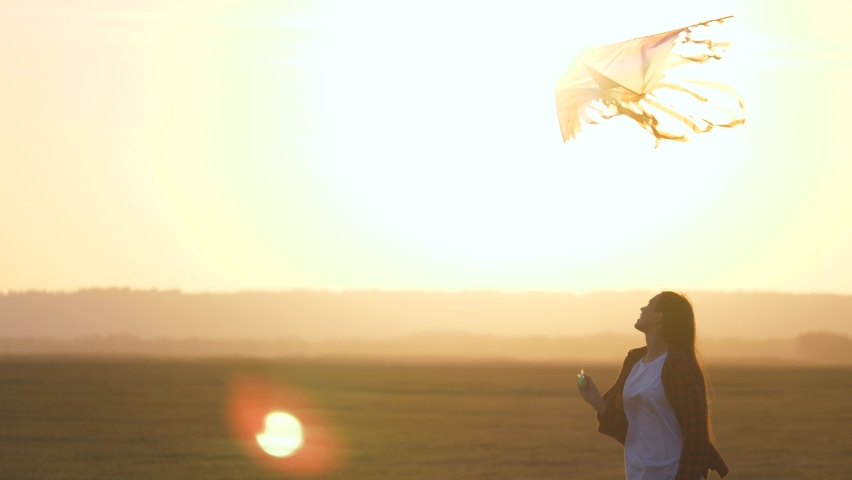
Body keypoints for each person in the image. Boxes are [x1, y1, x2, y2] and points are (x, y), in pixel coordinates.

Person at [577, 291, 729, 480]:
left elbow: (696, 434)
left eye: (649, 304)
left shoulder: (678, 365)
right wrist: (596, 401)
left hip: (675, 474)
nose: (642, 308)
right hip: (638, 474)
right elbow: (630, 429)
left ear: (658, 317)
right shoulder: (634, 361)